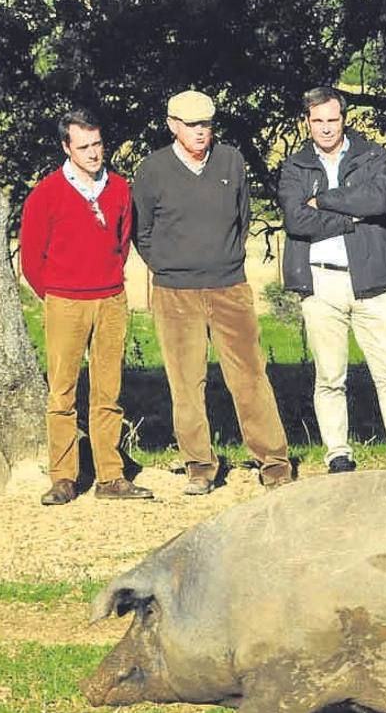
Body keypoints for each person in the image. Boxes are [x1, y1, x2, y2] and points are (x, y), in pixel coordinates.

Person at [133, 90, 294, 494]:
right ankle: (200, 466)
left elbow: (242, 217)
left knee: (250, 376)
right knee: (186, 382)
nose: (200, 131)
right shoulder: (152, 169)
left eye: (206, 123)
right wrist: (169, 265)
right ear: (172, 125)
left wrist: (224, 259)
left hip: (229, 286)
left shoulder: (231, 161)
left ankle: (274, 463)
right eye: (191, 124)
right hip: (174, 292)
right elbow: (142, 231)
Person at [278, 86, 386, 474]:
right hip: (321, 284)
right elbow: (295, 220)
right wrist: (349, 216)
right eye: (318, 121)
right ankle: (338, 455)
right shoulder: (294, 166)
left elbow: (376, 202)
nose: (326, 128)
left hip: (371, 280)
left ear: (344, 119)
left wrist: (321, 200)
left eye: (333, 119)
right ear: (307, 122)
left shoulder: (372, 155)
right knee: (329, 377)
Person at [19, 108, 153, 505]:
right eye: (84, 147)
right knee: (62, 393)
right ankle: (64, 477)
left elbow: (123, 239)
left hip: (111, 299)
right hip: (65, 302)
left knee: (108, 391)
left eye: (97, 144)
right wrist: (59, 295)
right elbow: (31, 259)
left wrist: (108, 283)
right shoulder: (46, 193)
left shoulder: (119, 189)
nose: (94, 153)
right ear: (66, 148)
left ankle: (110, 476)